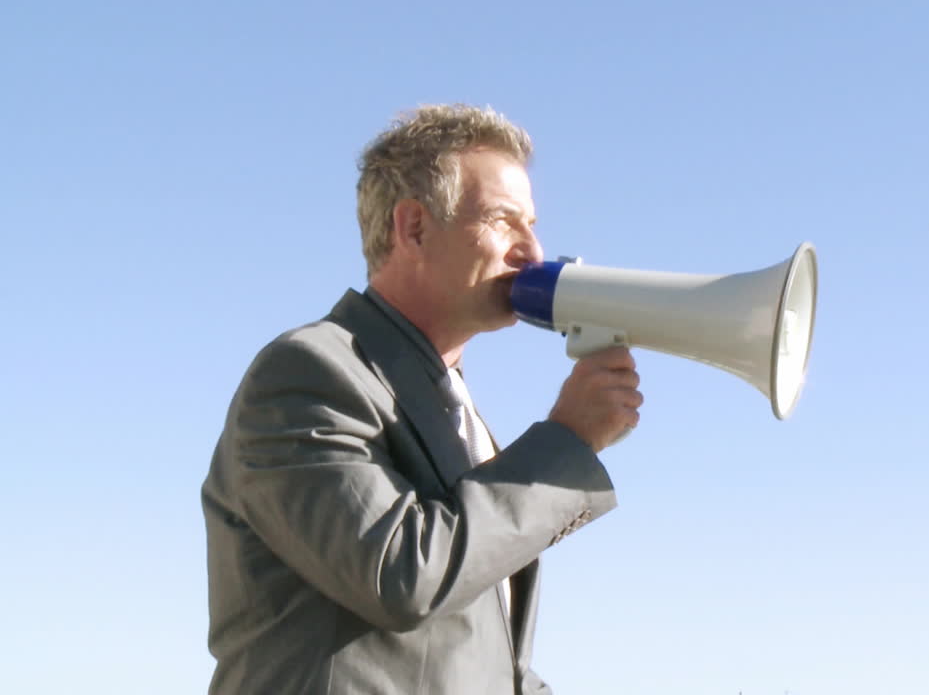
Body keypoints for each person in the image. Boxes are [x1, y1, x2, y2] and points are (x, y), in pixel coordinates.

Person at [201, 104, 643, 694]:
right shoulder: (308, 373)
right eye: (503, 220)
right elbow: (400, 574)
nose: (533, 253)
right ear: (413, 228)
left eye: (533, 224)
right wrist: (568, 440)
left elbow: (474, 649)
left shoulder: (454, 410)